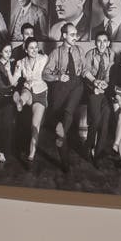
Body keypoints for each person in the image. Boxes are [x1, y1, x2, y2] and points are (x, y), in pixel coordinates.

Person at [42, 22, 85, 172]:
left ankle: (62, 131)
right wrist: (58, 77)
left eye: (76, 34)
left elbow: (85, 70)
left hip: (77, 85)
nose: (75, 37)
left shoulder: (79, 50)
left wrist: (95, 81)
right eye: (72, 34)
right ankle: (64, 162)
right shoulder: (56, 53)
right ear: (64, 35)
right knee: (60, 124)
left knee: (68, 111)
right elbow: (45, 74)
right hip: (61, 88)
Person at [11, 37, 48, 170]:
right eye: (31, 48)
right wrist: (8, 70)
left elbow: (51, 70)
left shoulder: (44, 59)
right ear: (26, 50)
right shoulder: (21, 62)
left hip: (41, 92)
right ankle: (20, 102)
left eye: (36, 47)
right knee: (25, 93)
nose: (34, 50)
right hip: (27, 90)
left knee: (35, 125)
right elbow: (14, 80)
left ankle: (31, 154)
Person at [82, 29, 115, 164]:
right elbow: (85, 71)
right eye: (99, 41)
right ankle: (88, 146)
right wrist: (95, 82)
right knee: (96, 120)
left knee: (105, 120)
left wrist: (105, 83)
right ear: (95, 42)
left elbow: (110, 72)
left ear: (108, 43)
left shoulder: (112, 54)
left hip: (105, 91)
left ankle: (98, 152)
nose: (102, 44)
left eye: (104, 41)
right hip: (92, 89)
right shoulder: (90, 54)